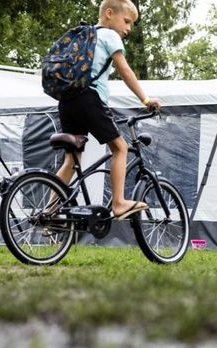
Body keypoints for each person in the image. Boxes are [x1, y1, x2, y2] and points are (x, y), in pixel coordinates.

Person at [53, 0, 161, 220]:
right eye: (127, 21)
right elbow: (125, 70)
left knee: (71, 161)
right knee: (120, 148)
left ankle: (50, 210)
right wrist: (145, 99)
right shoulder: (109, 35)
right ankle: (119, 203)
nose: (129, 28)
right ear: (109, 14)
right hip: (89, 99)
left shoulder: (84, 35)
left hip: (67, 100)